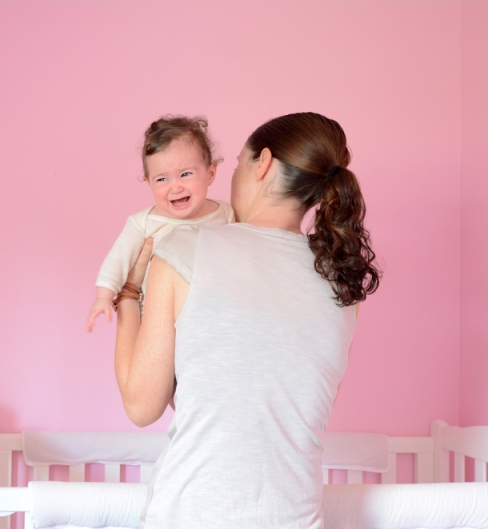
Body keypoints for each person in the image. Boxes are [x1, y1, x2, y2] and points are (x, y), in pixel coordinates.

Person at [114, 112, 380, 528]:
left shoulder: (186, 248)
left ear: (265, 163)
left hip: (194, 514)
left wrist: (128, 297)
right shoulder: (341, 282)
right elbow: (276, 402)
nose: (233, 177)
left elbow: (142, 405)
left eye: (238, 163)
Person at [86, 116, 235, 332]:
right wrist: (103, 296)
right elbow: (118, 259)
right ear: (148, 183)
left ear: (210, 173)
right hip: (157, 318)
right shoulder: (144, 223)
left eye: (185, 174)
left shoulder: (226, 214)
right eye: (162, 179)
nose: (175, 187)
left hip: (209, 315)